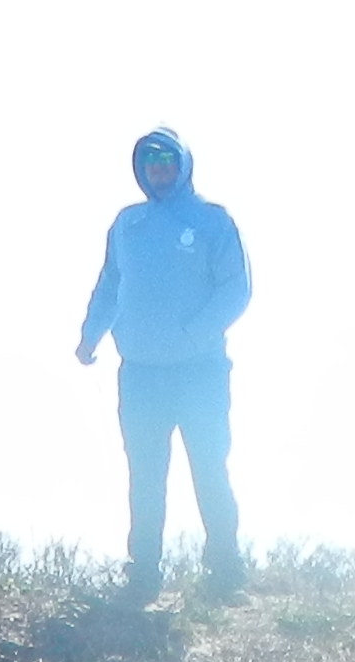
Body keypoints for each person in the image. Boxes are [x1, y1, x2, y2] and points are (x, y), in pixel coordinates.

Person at [75, 125, 253, 597]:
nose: (159, 170)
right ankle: (144, 571)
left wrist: (193, 333)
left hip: (201, 373)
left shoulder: (214, 221)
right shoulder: (127, 225)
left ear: (183, 164)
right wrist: (91, 334)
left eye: (167, 161)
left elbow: (236, 290)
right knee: (146, 474)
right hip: (140, 374)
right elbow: (110, 285)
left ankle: (224, 568)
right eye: (150, 162)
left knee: (209, 468)